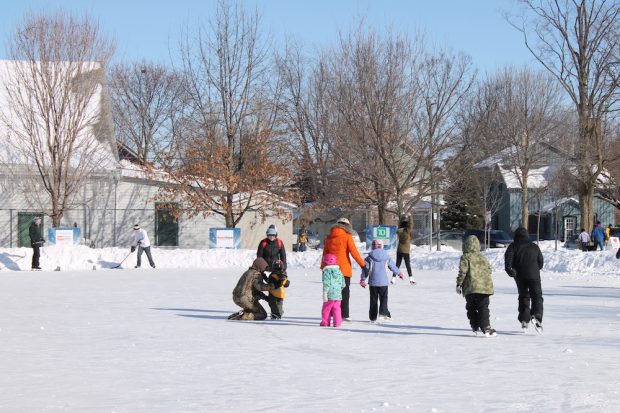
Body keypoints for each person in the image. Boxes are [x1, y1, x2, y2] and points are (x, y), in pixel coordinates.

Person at [321, 217, 367, 322]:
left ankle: (332, 313)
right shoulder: (347, 236)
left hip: (330, 269)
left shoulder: (329, 237)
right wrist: (363, 265)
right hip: (344, 269)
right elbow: (354, 252)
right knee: (345, 292)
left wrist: (323, 267)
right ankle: (344, 314)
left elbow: (325, 254)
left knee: (331, 292)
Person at [504, 227, 544, 334]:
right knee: (537, 296)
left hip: (520, 276)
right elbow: (541, 262)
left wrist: (510, 271)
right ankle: (537, 316)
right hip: (534, 276)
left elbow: (508, 260)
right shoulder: (534, 246)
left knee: (523, 296)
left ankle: (524, 319)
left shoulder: (513, 246)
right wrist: (535, 269)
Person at [456, 235, 496, 336]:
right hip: (485, 287)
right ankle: (486, 326)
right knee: (483, 307)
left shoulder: (466, 257)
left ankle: (475, 325)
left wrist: (459, 283)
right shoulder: (483, 258)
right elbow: (489, 270)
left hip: (471, 287)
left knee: (471, 307)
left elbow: (463, 271)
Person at [360, 239, 403, 323]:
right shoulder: (386, 257)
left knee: (373, 300)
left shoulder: (369, 258)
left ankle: (372, 317)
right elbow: (393, 266)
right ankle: (383, 313)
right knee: (384, 298)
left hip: (373, 282)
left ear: (373, 246)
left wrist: (362, 279)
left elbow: (366, 270)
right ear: (382, 246)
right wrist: (399, 273)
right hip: (383, 282)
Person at [320, 253, 345, 327]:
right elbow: (343, 283)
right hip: (338, 294)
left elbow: (327, 283)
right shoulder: (339, 271)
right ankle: (337, 323)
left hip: (329, 294)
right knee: (337, 309)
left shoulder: (327, 271)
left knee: (326, 309)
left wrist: (325, 292)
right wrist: (339, 290)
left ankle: (325, 322)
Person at [393, 213, 415, 285]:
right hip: (406, 250)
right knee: (407, 264)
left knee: (397, 265)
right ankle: (411, 279)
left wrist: (402, 217)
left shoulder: (399, 230)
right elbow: (411, 224)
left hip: (399, 249)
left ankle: (393, 279)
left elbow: (400, 224)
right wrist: (410, 216)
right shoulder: (407, 230)